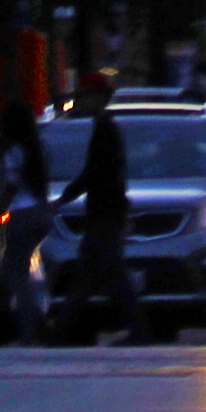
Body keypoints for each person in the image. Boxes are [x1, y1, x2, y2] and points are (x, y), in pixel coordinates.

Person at [70, 86, 146, 343]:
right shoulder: (104, 128)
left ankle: (63, 329)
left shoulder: (106, 130)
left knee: (106, 272)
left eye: (85, 95)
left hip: (104, 212)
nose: (81, 101)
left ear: (99, 97)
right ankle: (64, 328)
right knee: (97, 271)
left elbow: (97, 172)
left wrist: (65, 197)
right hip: (105, 211)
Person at [0, 102, 48, 343]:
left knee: (12, 272)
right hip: (38, 212)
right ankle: (31, 325)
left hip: (20, 214)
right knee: (21, 270)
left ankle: (33, 324)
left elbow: (10, 186)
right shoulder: (36, 148)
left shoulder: (13, 150)